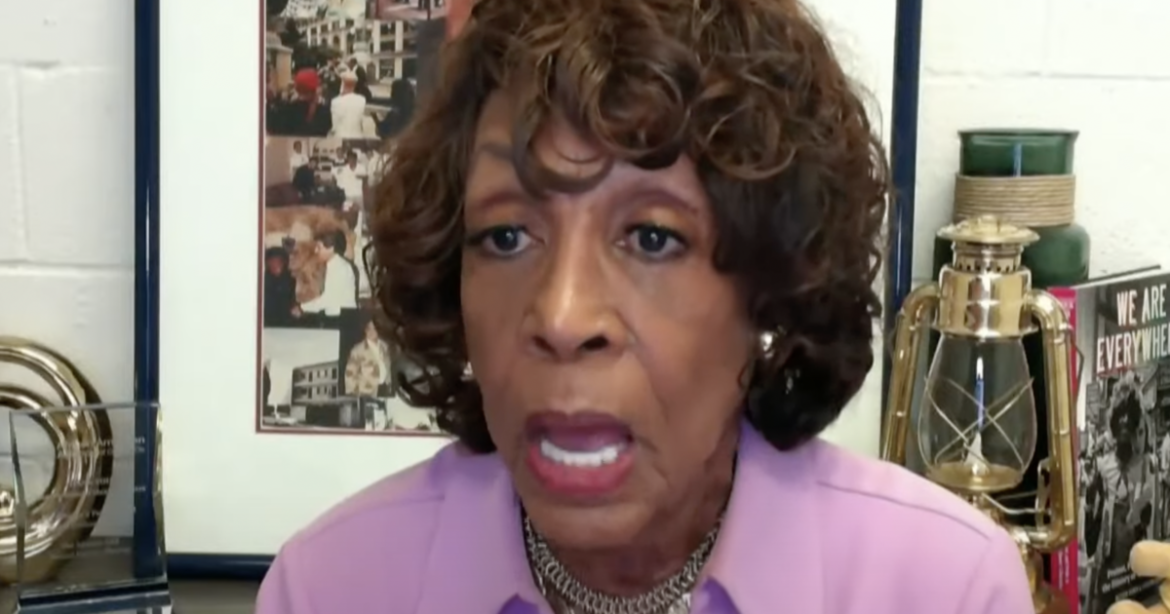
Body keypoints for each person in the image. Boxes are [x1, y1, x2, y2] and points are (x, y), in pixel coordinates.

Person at [256, 0, 1033, 612]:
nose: (562, 317)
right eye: (505, 236)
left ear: (771, 287)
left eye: (654, 238)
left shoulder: (944, 589)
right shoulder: (329, 590)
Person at [294, 230, 357, 318]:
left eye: (319, 247)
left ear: (331, 248)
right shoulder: (333, 265)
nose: (316, 251)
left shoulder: (340, 268)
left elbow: (329, 300)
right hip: (335, 316)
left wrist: (302, 308)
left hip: (343, 318)